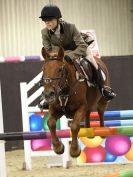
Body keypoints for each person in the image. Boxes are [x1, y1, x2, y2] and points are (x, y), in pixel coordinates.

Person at [39, 4, 116, 109]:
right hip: (60, 54)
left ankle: (103, 88)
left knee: (92, 60)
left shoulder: (70, 27)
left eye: (50, 20)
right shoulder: (44, 32)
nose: (47, 22)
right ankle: (47, 97)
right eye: (45, 20)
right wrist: (58, 57)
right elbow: (48, 50)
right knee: (49, 68)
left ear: (58, 19)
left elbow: (82, 46)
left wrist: (71, 55)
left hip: (78, 49)